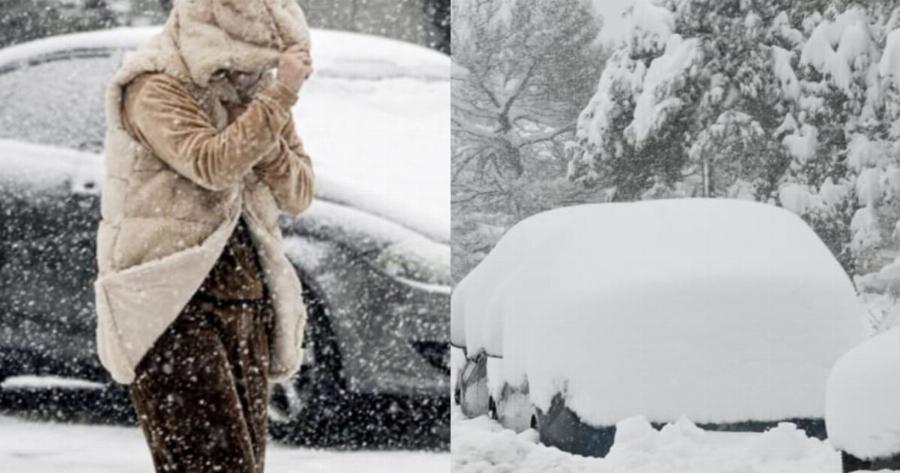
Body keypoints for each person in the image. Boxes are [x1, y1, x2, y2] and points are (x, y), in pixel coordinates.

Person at [93, 1, 314, 471]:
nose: (253, 77)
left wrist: (265, 127)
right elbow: (211, 164)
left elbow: (298, 192)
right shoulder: (155, 83)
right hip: (170, 305)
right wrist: (278, 99)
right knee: (211, 464)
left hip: (246, 302)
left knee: (243, 465)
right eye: (246, 64)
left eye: (264, 66)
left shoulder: (256, 94)